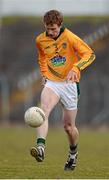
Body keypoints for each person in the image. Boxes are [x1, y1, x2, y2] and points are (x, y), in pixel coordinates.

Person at [30, 9, 95, 171]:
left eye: (54, 29)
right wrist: (44, 75)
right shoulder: (40, 40)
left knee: (68, 127)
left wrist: (76, 68)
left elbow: (89, 54)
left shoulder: (70, 37)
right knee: (43, 111)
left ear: (60, 25)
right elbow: (42, 58)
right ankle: (40, 148)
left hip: (70, 85)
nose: (51, 32)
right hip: (52, 83)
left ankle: (73, 154)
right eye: (48, 28)